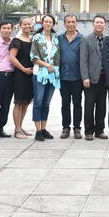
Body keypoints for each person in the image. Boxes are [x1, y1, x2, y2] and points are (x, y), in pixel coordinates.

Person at [30, 14, 61, 142]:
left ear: (53, 24)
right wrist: (47, 65)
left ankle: (43, 128)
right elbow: (33, 57)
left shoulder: (55, 38)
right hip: (40, 73)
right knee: (38, 101)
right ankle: (37, 130)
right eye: (46, 21)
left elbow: (58, 56)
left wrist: (54, 68)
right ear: (42, 23)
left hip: (53, 74)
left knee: (46, 103)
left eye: (50, 22)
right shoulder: (37, 37)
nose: (48, 24)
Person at [80, 15, 108, 140]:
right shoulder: (86, 39)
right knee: (89, 106)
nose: (99, 24)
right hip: (90, 78)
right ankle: (89, 131)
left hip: (104, 78)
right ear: (93, 24)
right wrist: (85, 77)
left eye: (101, 22)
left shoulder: (108, 39)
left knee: (102, 106)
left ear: (104, 25)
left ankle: (100, 130)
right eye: (97, 22)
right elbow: (83, 60)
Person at [58, 14, 84, 139]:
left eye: (73, 21)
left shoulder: (82, 39)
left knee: (77, 103)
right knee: (65, 104)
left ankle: (77, 128)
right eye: (68, 22)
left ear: (76, 23)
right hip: (63, 77)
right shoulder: (59, 39)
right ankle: (65, 128)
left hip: (78, 77)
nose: (71, 24)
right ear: (64, 24)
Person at [10, 16, 34, 139]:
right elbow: (12, 57)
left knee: (26, 102)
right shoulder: (17, 40)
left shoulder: (32, 39)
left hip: (31, 74)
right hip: (20, 74)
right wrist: (23, 69)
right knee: (19, 102)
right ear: (20, 26)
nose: (27, 26)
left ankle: (20, 126)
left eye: (29, 24)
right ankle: (17, 129)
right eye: (24, 24)